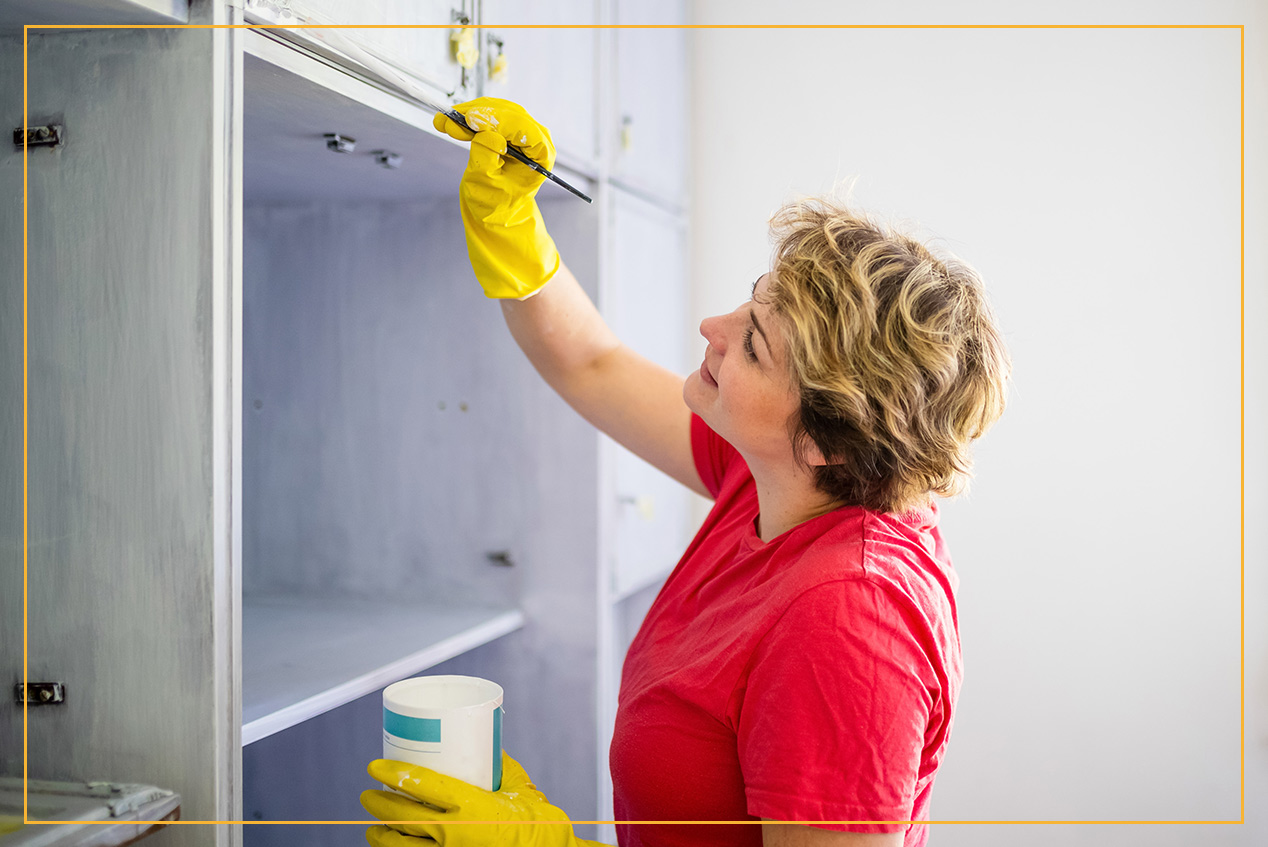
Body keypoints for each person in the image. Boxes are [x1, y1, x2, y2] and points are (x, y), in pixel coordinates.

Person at [359, 98, 1011, 847]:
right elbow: (592, 363)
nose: (715, 328)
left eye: (756, 344)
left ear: (824, 440)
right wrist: (510, 222)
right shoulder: (775, 479)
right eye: (751, 301)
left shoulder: (849, 622)